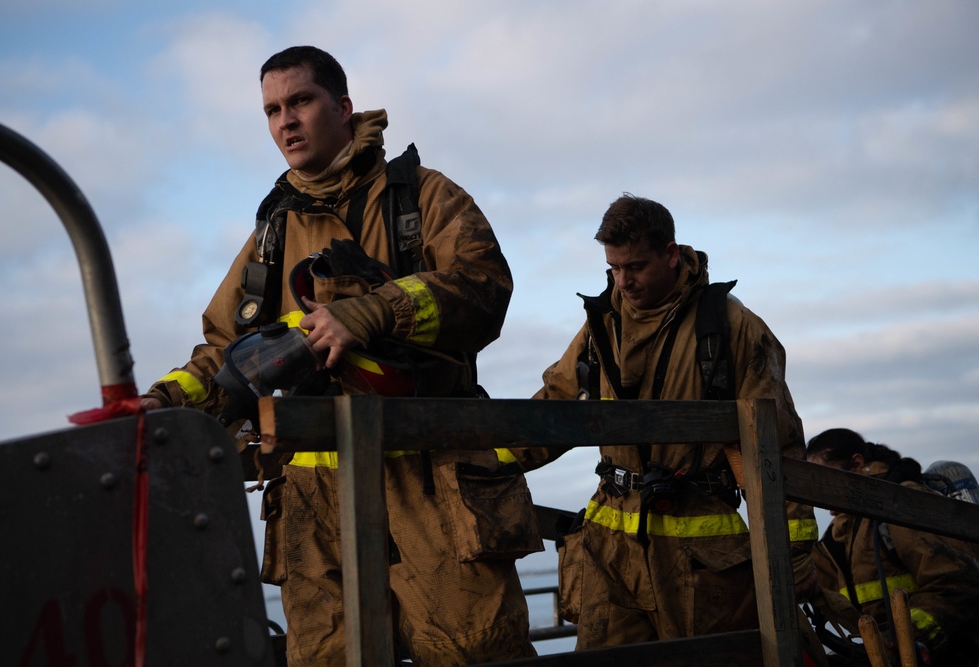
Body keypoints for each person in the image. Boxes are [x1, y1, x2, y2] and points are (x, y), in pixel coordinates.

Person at [141, 45, 541, 665]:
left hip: (431, 483)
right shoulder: (271, 234)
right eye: (272, 110)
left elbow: (484, 287)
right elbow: (227, 350)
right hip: (312, 502)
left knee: (474, 652)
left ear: (345, 107)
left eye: (300, 101)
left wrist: (374, 310)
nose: (285, 122)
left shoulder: (423, 198)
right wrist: (161, 403)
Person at [509, 194, 819, 648]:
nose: (623, 281)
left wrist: (791, 561)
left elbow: (780, 448)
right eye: (613, 268)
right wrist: (480, 461)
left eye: (634, 266)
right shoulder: (602, 324)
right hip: (611, 551)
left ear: (671, 254)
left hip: (700, 559)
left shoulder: (733, 328)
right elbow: (556, 404)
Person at [808, 428, 979, 665]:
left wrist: (906, 639)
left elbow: (957, 583)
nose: (818, 493)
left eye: (825, 479)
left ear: (856, 463)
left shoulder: (900, 504)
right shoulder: (840, 532)